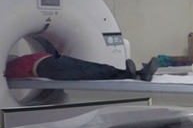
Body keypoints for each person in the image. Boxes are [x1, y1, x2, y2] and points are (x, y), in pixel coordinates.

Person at [5, 52, 159, 81]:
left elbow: (7, 74)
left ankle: (133, 74)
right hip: (54, 61)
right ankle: (137, 74)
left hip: (48, 66)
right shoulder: (24, 59)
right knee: (94, 69)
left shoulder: (13, 64)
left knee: (91, 72)